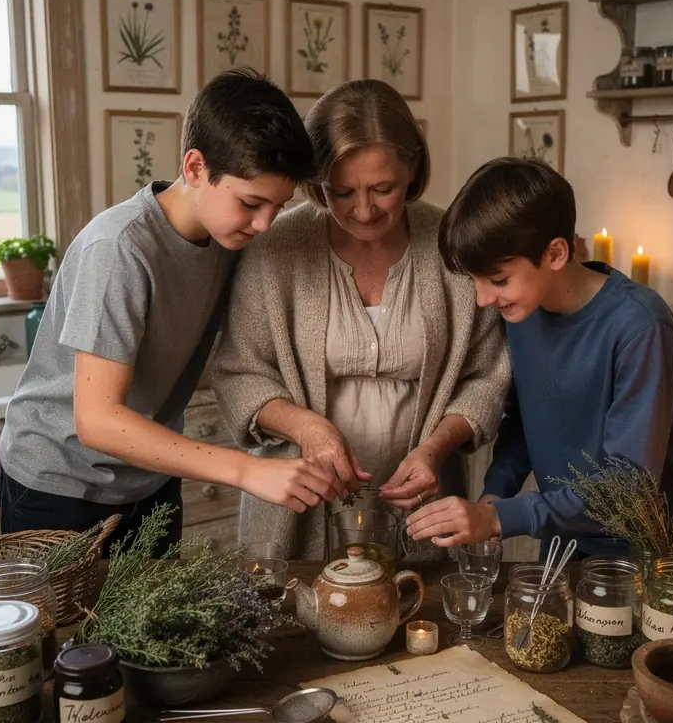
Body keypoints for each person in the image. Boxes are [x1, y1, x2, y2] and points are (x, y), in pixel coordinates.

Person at [0, 69, 340, 553]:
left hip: (150, 482)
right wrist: (246, 470)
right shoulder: (119, 249)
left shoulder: (229, 235)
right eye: (251, 203)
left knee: (152, 630)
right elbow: (97, 419)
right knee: (71, 633)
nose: (265, 225)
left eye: (277, 207)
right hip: (59, 484)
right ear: (196, 168)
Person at [211, 79, 510, 559]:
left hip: (421, 510)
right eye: (342, 191)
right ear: (316, 180)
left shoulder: (451, 243)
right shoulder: (274, 249)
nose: (364, 210)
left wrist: (434, 448)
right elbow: (238, 372)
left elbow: (486, 376)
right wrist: (309, 429)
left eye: (382, 189)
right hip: (296, 511)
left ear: (412, 169)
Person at [406, 156, 673, 557]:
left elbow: (628, 489)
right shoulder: (522, 310)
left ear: (554, 253)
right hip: (567, 538)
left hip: (655, 553)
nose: (483, 299)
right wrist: (494, 496)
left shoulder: (640, 326)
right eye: (475, 280)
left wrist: (504, 517)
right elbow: (524, 421)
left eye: (498, 280)